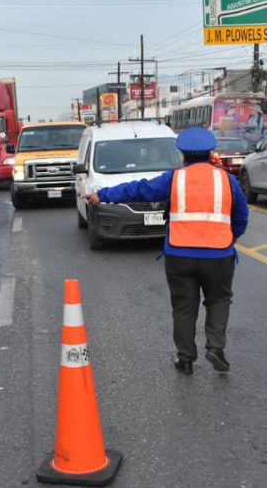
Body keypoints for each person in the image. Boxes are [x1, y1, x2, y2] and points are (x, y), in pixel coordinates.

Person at [85, 127, 249, 375]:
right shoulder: (227, 180)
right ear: (211, 153)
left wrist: (102, 195)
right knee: (218, 300)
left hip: (180, 256)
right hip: (218, 255)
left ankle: (185, 359)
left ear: (182, 154)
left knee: (184, 307)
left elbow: (139, 189)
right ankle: (215, 348)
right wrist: (233, 236)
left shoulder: (175, 178)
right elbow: (241, 215)